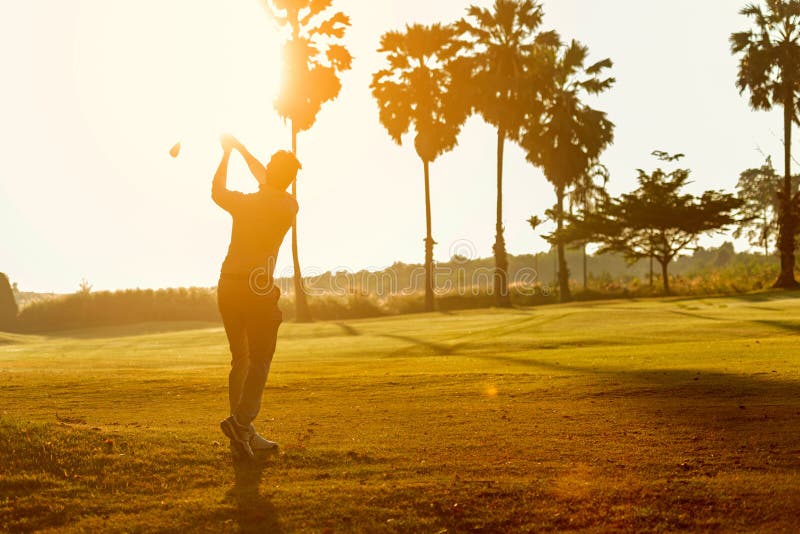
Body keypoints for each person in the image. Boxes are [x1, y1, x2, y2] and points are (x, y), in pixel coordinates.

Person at [213, 134, 300, 458]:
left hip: (227, 286)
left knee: (242, 361)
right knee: (260, 360)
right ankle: (241, 423)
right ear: (290, 179)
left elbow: (217, 191)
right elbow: (267, 178)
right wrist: (243, 151)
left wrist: (229, 154)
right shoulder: (288, 204)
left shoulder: (247, 202)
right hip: (256, 289)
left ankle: (243, 435)